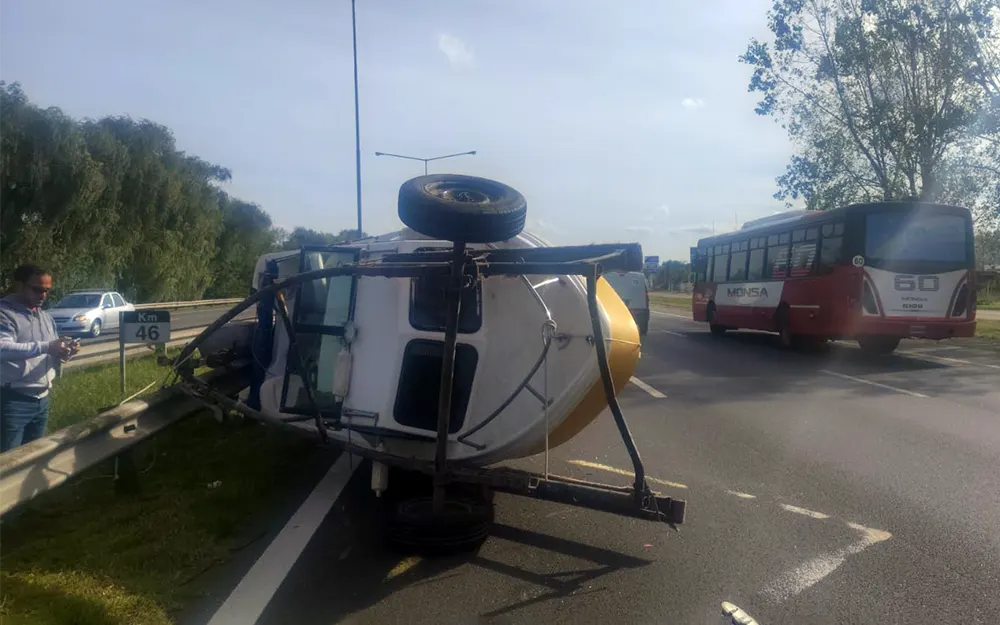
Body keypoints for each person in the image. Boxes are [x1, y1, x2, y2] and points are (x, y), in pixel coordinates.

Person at [0, 265, 78, 452]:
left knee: (32, 458)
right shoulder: (4, 313)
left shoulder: (45, 317)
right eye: (37, 289)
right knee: (7, 463)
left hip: (42, 400)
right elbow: (2, 348)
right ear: (19, 285)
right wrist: (47, 346)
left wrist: (64, 352)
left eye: (46, 290)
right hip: (13, 400)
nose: (43, 295)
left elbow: (49, 353)